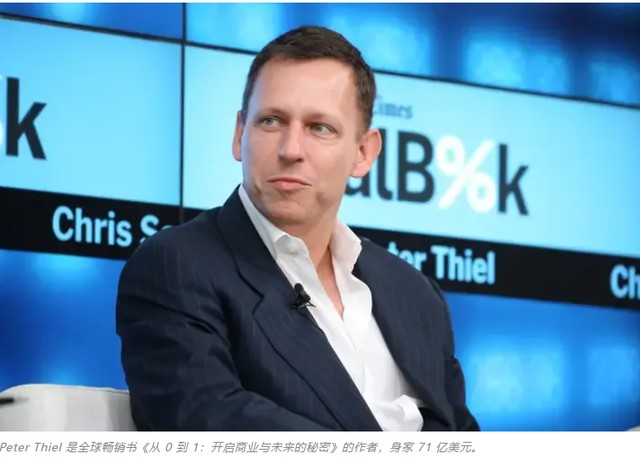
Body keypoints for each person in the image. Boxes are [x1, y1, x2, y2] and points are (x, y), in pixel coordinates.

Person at [116, 25, 479, 431]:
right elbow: (208, 421)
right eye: (271, 121)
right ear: (239, 134)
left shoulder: (414, 293)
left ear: (363, 153)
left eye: (319, 128)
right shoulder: (175, 268)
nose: (290, 150)